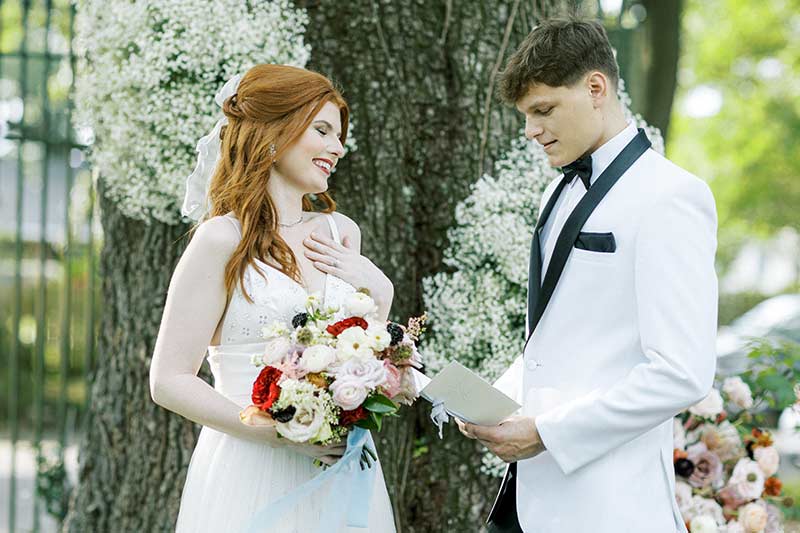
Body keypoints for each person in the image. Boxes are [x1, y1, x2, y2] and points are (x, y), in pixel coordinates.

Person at [457, 18, 718, 533]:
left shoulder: (671, 198)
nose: (531, 130)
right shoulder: (556, 192)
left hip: (610, 506)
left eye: (543, 110)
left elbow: (681, 371)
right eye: (526, 115)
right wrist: (495, 401)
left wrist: (549, 433)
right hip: (528, 500)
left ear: (595, 88)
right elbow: (560, 335)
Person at [149, 64, 396, 532]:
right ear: (275, 132)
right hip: (248, 467)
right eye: (321, 130)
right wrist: (275, 433)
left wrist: (382, 293)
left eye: (339, 135)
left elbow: (366, 353)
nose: (336, 148)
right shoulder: (221, 240)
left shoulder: (341, 234)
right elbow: (169, 379)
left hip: (340, 469)